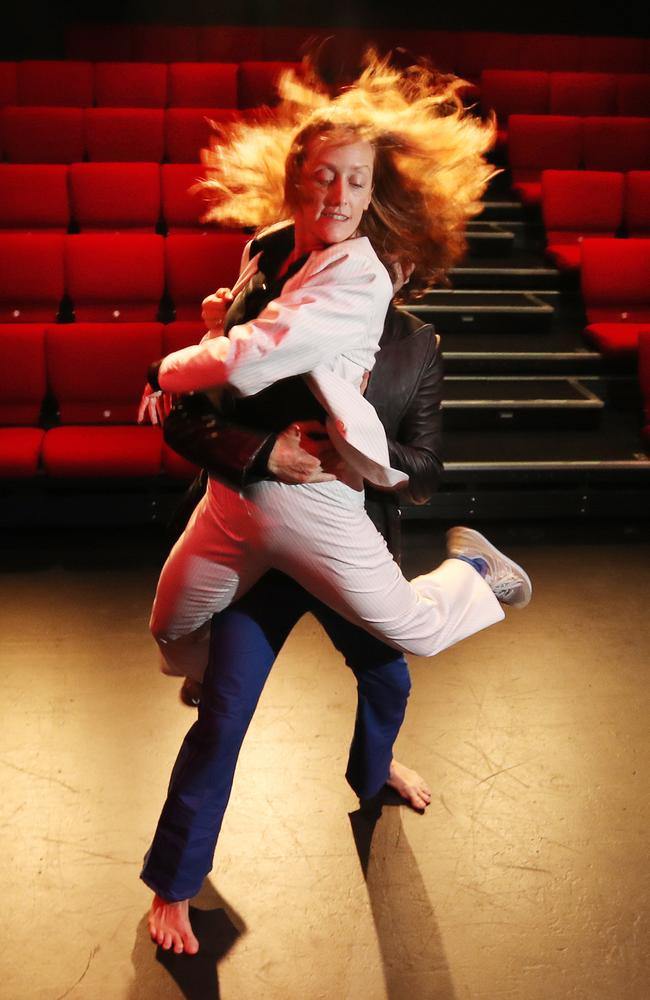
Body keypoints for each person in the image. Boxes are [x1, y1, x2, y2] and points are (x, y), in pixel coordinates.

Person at [142, 53, 529, 689]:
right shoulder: (267, 246)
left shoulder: (358, 279)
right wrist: (215, 325)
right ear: (297, 179)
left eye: (357, 181)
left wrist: (164, 369)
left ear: (372, 190)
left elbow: (245, 362)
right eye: (327, 176)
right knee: (170, 627)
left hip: (316, 498)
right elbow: (233, 351)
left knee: (420, 632)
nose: (342, 197)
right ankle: (214, 681)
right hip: (232, 498)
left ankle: (477, 573)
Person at [142, 256, 443, 954]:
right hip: (256, 553)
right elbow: (184, 420)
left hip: (347, 550)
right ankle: (174, 885)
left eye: (393, 249)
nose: (374, 258)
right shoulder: (268, 310)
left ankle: (375, 771)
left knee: (389, 678)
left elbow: (427, 469)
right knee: (224, 715)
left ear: (412, 264)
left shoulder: (417, 344)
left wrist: (366, 459)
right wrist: (260, 453)